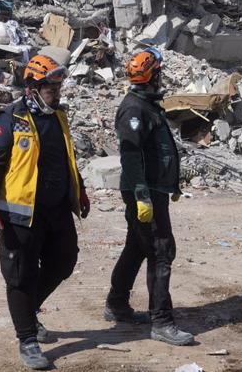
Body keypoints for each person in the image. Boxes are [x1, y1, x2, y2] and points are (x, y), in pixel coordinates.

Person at [0, 53, 90, 370]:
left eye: (58, 87)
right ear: (32, 87)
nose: (56, 93)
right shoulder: (11, 118)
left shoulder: (58, 116)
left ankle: (28, 312)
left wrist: (79, 189)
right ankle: (27, 339)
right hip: (21, 214)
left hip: (57, 210)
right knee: (20, 277)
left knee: (64, 262)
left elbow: (67, 157)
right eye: (50, 88)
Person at [105, 48, 195, 346]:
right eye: (159, 73)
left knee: (137, 247)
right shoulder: (134, 109)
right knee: (160, 250)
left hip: (153, 190)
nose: (161, 77)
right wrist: (142, 195)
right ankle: (161, 322)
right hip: (144, 192)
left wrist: (171, 185)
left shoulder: (146, 104)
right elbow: (131, 155)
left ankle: (117, 303)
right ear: (153, 76)